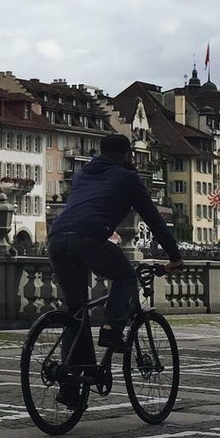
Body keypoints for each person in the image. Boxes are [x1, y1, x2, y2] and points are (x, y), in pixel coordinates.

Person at [46, 133, 184, 392]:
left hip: (56, 239)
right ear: (127, 155)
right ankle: (111, 328)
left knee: (75, 313)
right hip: (89, 238)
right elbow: (154, 220)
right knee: (125, 276)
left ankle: (71, 385)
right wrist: (175, 256)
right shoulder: (128, 177)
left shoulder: (83, 174)